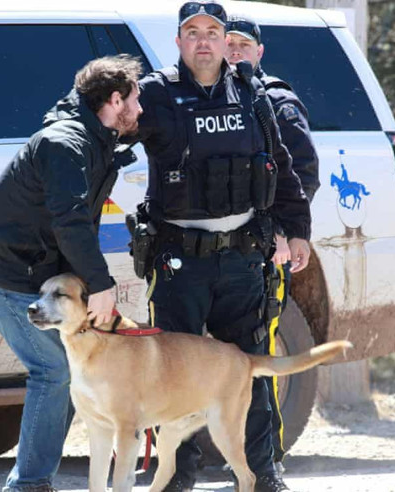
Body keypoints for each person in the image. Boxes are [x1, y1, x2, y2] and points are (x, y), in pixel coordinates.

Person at [127, 2, 311, 491]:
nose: (204, 41)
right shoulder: (154, 95)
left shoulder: (251, 92)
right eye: (193, 32)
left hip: (243, 257)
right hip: (178, 257)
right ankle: (175, 475)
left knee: (252, 365)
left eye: (213, 31)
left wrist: (297, 229)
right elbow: (106, 137)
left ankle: (262, 472)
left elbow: (281, 164)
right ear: (179, 41)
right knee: (169, 375)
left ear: (226, 38)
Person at [0, 55, 144, 492]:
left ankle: (34, 481)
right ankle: (29, 485)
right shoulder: (66, 143)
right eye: (135, 99)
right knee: (54, 369)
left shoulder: (94, 137)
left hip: (31, 270)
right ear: (115, 100)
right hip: (4, 271)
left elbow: (76, 225)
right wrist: (99, 285)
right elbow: (71, 222)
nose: (141, 109)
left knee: (66, 368)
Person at [225, 14, 321, 471]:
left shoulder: (276, 101)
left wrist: (286, 232)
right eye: (230, 43)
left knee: (260, 355)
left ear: (259, 52)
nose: (236, 51)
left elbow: (301, 174)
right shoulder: (212, 98)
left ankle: (267, 460)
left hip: (265, 248)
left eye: (245, 44)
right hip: (220, 248)